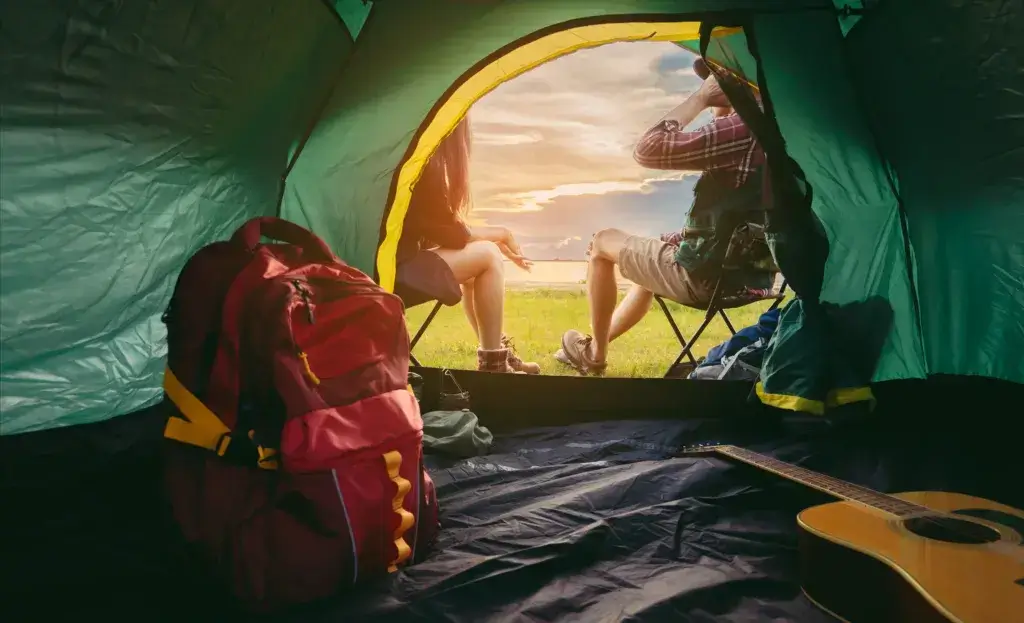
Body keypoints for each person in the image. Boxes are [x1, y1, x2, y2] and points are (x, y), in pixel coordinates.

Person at [556, 58, 766, 376]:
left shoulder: (744, 129)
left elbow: (649, 149)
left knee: (601, 241)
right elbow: (734, 224)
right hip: (756, 282)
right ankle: (595, 343)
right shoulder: (783, 133)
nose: (714, 94)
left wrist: (700, 99)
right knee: (651, 263)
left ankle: (594, 357)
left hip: (707, 280)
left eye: (717, 85)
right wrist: (670, 239)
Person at [397, 117, 541, 374]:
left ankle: (497, 352)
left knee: (477, 267)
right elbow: (450, 234)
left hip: (365, 269)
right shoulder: (420, 161)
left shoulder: (395, 150)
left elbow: (431, 229)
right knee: (488, 257)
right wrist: (500, 234)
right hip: (388, 274)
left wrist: (483, 237)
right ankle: (494, 366)